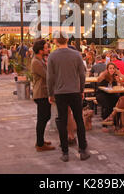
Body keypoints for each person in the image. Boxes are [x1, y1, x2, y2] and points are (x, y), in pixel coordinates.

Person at [46, 34, 90, 162]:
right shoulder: (76, 55)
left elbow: (50, 77)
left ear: (55, 41)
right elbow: (82, 74)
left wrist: (50, 93)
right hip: (75, 91)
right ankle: (82, 149)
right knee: (79, 120)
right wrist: (81, 89)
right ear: (67, 40)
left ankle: (65, 152)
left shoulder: (52, 56)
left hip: (60, 93)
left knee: (62, 120)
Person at [31, 40, 55, 152]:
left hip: (43, 93)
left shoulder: (40, 60)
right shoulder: (36, 62)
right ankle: (40, 144)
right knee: (42, 118)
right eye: (46, 48)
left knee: (45, 117)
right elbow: (47, 75)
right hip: (40, 93)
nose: (48, 49)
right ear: (40, 50)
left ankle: (40, 141)